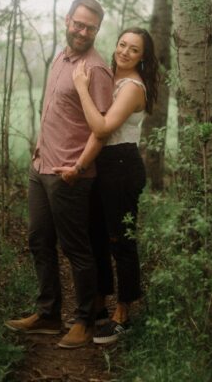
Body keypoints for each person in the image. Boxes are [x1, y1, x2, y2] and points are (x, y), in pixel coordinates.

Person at [5, 0, 115, 349]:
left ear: (97, 31)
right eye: (78, 24)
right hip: (41, 169)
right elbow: (53, 109)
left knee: (76, 249)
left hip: (70, 174)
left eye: (90, 28)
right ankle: (48, 315)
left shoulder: (95, 70)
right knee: (39, 241)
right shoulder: (60, 57)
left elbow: (102, 130)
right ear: (67, 20)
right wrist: (38, 148)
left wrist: (79, 168)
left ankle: (84, 319)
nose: (82, 32)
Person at [70, 27, 159, 344]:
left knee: (121, 240)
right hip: (101, 164)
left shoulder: (133, 87)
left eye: (134, 49)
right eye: (122, 44)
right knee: (96, 235)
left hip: (122, 165)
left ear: (143, 57)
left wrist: (81, 87)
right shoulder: (110, 77)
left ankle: (124, 314)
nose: (125, 52)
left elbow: (103, 127)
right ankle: (99, 303)